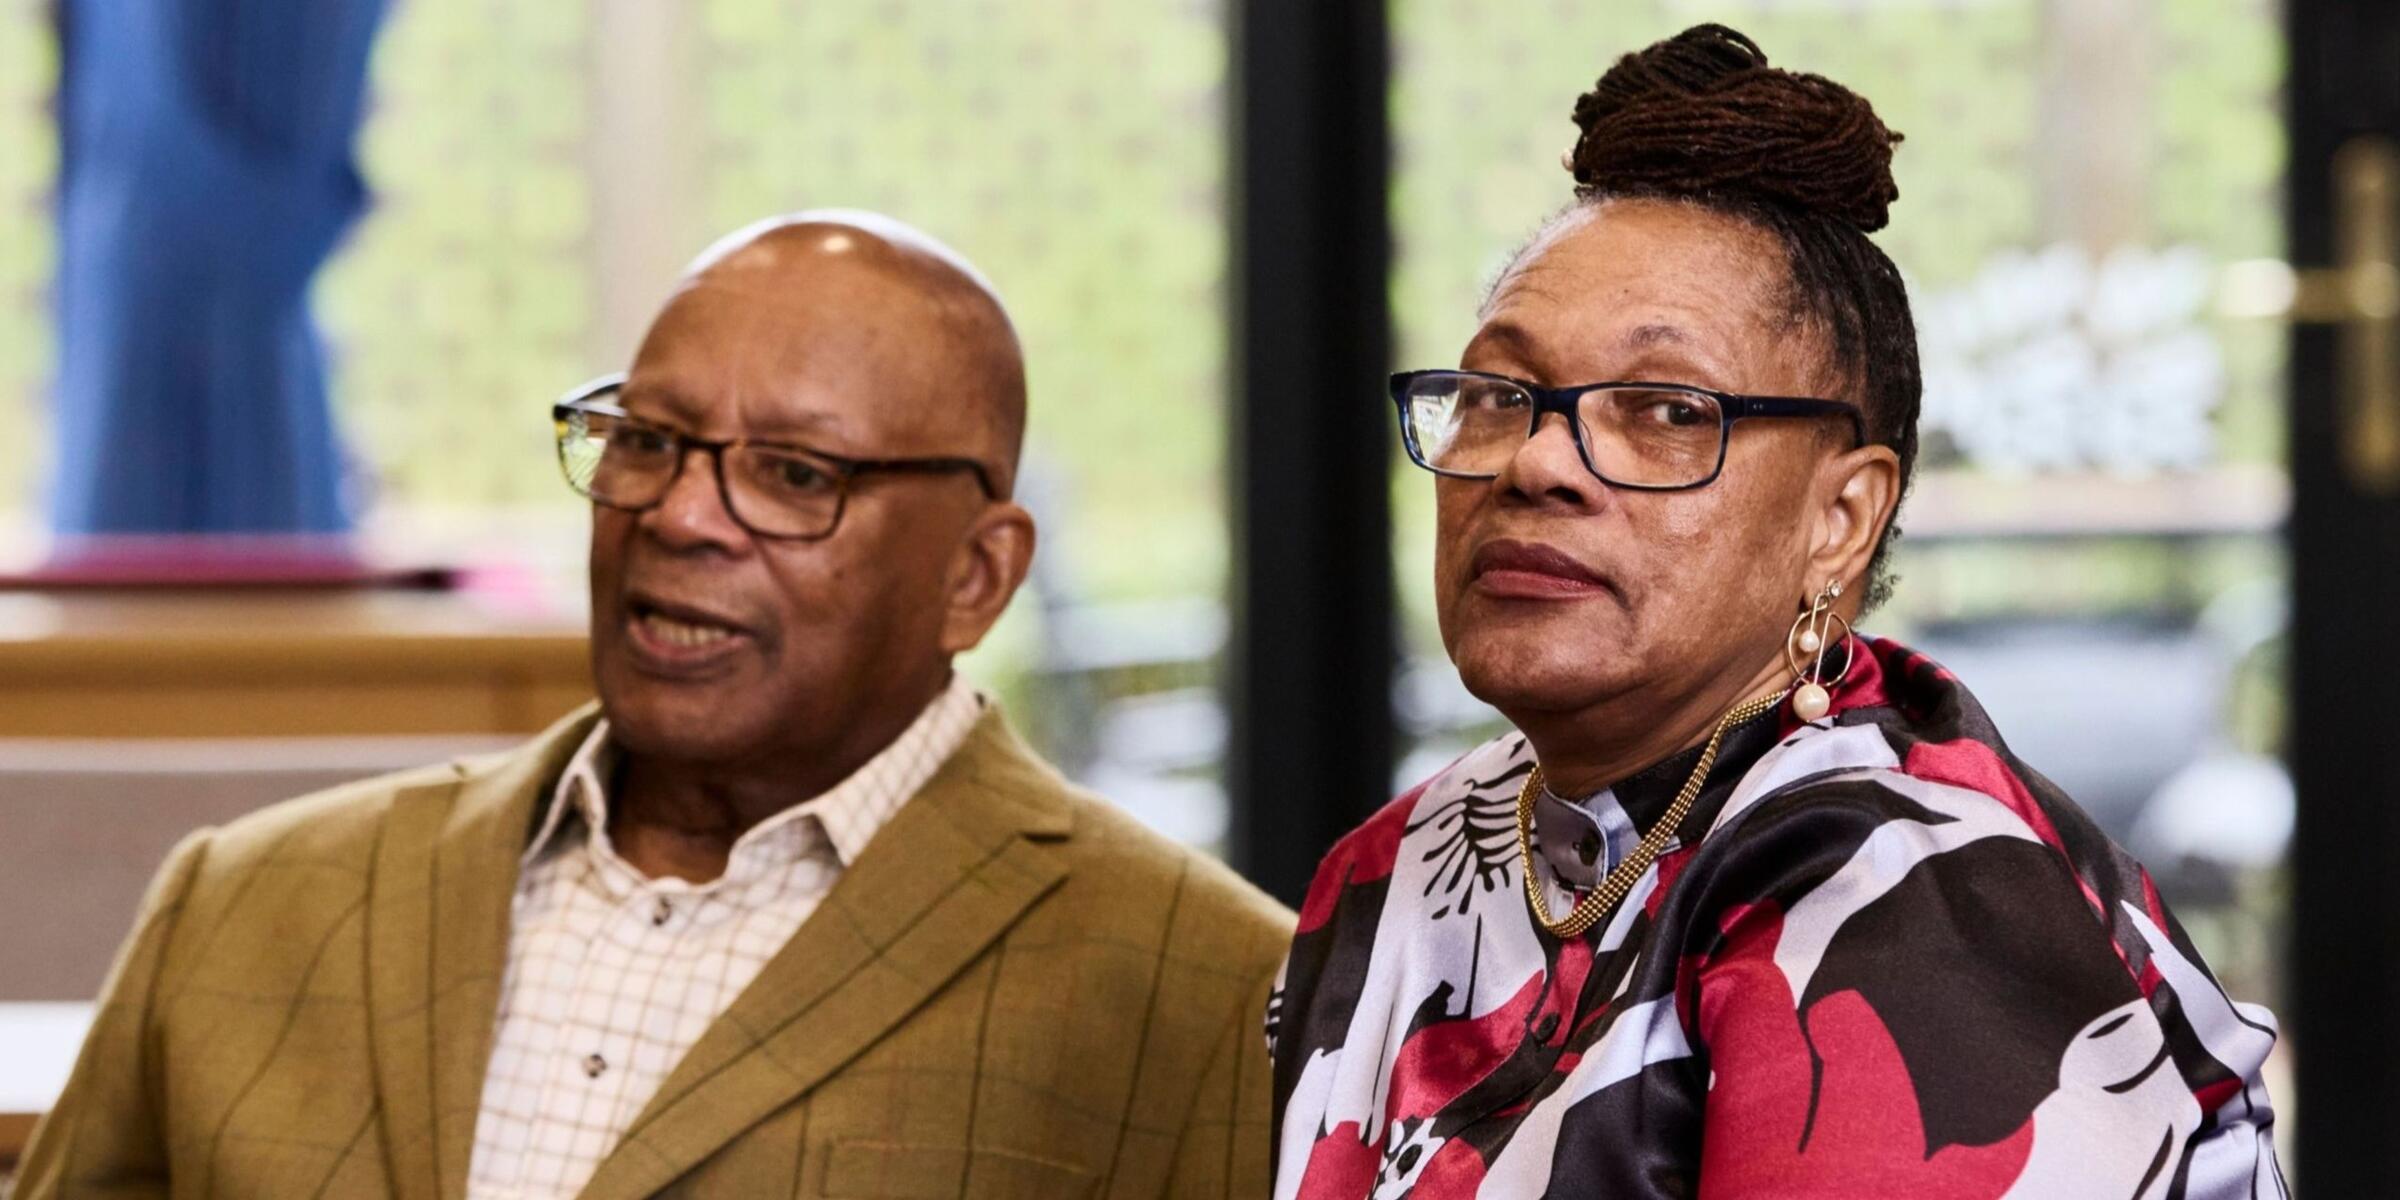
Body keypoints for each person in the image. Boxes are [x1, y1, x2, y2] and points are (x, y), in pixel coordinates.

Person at [20, 212, 1293, 1199]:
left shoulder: (1214, 992)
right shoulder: (246, 901)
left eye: (795, 474)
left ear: (976, 575)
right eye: (645, 440)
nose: (678, 514)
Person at [1267, 27, 2283, 1199]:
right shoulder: (1400, 865)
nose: (1539, 460)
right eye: (1500, 395)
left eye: (1662, 411)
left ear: (1840, 518)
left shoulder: (1910, 912)